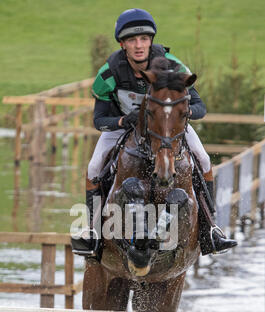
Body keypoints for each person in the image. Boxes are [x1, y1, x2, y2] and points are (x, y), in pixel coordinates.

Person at [77, 8, 237, 257]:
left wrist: (177, 115)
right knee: (94, 166)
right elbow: (99, 120)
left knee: (204, 159)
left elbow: (200, 106)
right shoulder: (109, 73)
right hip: (126, 128)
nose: (139, 45)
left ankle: (210, 230)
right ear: (123, 44)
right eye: (132, 40)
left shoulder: (173, 66)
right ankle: (92, 232)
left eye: (144, 39)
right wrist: (123, 120)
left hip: (168, 130)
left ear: (151, 41)